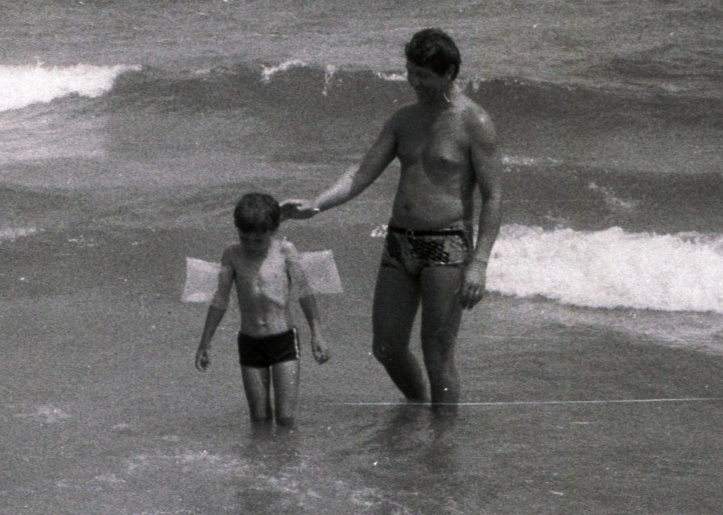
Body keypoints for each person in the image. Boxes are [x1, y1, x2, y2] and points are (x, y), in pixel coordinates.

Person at [282, 28, 503, 408]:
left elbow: (493, 197)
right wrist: (317, 204)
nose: (414, 82)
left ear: (449, 72)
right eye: (410, 72)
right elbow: (361, 173)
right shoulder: (404, 120)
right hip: (399, 242)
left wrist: (479, 264)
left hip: (447, 246)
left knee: (437, 351)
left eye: (423, 75)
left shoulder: (474, 123)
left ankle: (442, 442)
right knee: (386, 346)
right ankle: (418, 409)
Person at [195, 192, 330, 427]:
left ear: (273, 230)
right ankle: (261, 463)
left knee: (286, 417)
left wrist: (316, 332)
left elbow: (304, 292)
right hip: (249, 342)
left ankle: (288, 462)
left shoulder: (285, 251)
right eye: (244, 238)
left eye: (258, 240)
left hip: (283, 340)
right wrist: (205, 341)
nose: (250, 245)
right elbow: (220, 299)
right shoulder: (232, 254)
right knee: (259, 418)